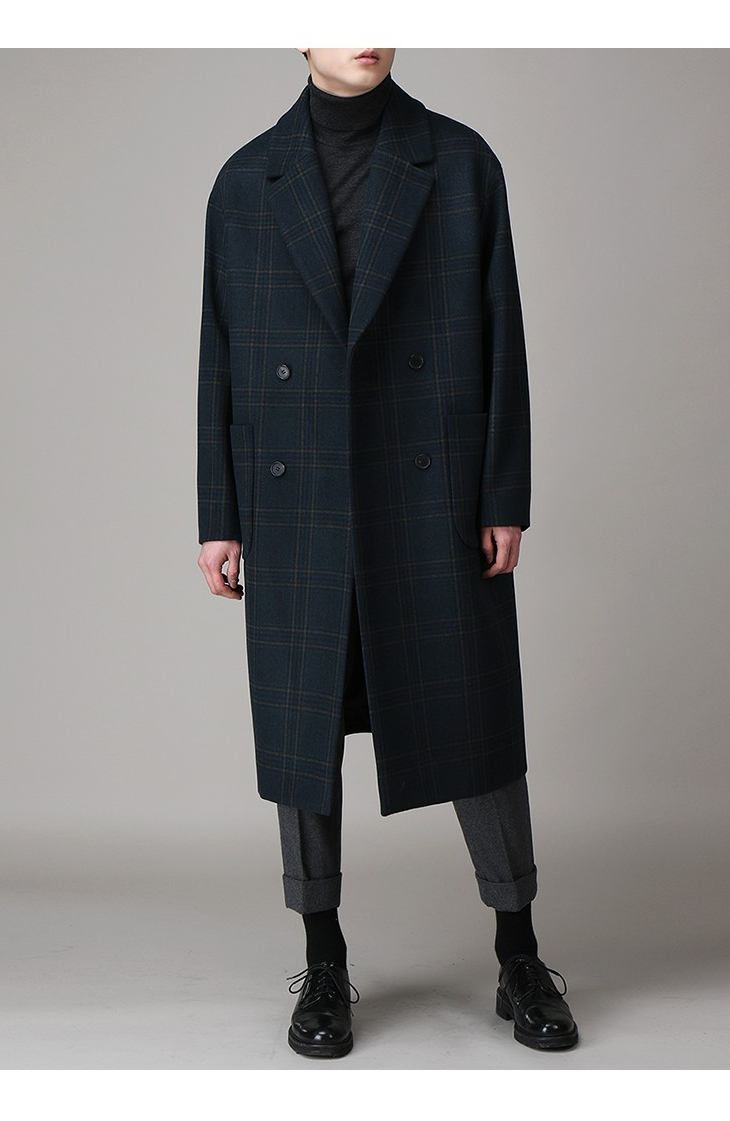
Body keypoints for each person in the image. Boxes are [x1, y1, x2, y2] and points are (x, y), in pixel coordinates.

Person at [196, 47, 578, 1058]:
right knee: (302, 738)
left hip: (431, 489)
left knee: (476, 724)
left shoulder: (460, 161)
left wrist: (502, 494)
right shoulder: (246, 180)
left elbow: (502, 331)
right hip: (299, 495)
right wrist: (219, 513)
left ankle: (519, 951)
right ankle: (323, 958)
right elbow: (221, 351)